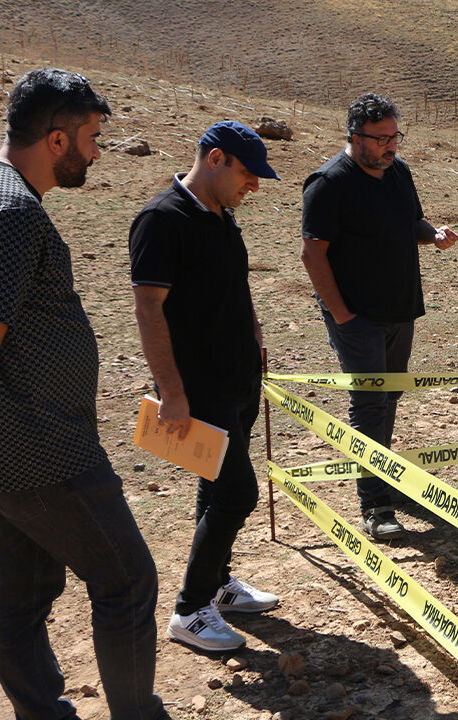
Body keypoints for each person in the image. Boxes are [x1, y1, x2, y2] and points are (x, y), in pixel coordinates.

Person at [0, 68, 170, 719]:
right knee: (127, 579)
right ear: (56, 140)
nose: (96, 150)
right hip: (41, 452)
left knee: (24, 596)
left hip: (1, 450)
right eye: (91, 136)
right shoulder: (10, 213)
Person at [129, 121, 281, 652]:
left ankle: (218, 586)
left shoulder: (223, 218)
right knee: (238, 492)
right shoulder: (160, 219)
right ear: (216, 158)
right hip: (199, 386)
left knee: (214, 484)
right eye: (248, 173)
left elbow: (233, 289)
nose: (255, 186)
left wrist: (256, 334)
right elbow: (149, 308)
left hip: (239, 378)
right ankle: (189, 611)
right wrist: (171, 392)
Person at [300, 93, 458, 540]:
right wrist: (342, 316)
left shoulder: (399, 173)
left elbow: (412, 224)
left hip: (400, 308)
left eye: (395, 137)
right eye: (382, 138)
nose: (391, 146)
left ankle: (383, 476)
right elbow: (313, 254)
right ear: (356, 136)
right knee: (369, 403)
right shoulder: (328, 183)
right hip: (357, 317)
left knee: (390, 397)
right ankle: (374, 505)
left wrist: (435, 234)